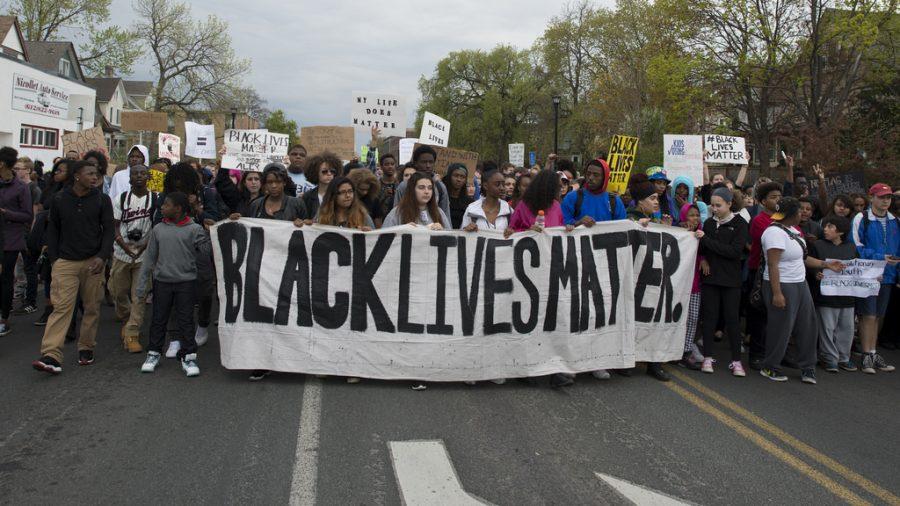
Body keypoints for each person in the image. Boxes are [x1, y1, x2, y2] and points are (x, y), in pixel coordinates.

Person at [32, 161, 113, 375]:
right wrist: (55, 260)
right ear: (77, 176)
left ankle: (86, 348)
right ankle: (51, 354)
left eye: (96, 174)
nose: (95, 177)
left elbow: (108, 231)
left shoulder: (102, 200)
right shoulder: (60, 199)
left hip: (93, 262)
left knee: (92, 307)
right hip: (65, 263)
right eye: (90, 173)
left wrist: (102, 256)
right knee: (61, 308)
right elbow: (53, 230)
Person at [760, 197, 844, 383]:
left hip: (800, 283)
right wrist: (777, 293)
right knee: (781, 327)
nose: (802, 214)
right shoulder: (773, 232)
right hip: (781, 284)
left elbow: (803, 258)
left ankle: (808, 367)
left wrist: (827, 265)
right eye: (799, 211)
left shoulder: (795, 231)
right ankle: (770, 366)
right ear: (791, 214)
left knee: (807, 326)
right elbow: (773, 264)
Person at [136, 192, 210, 377]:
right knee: (158, 319)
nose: (162, 207)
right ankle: (153, 353)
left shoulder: (194, 229)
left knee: (185, 320)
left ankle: (189, 355)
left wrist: (207, 234)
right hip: (162, 282)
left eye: (166, 205)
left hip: (186, 282)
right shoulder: (158, 229)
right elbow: (149, 259)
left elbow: (206, 251)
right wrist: (142, 284)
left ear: (178, 209)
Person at [624, 173, 684, 382]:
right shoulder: (628, 218)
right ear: (640, 202)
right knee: (632, 318)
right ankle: (627, 359)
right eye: (652, 198)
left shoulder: (657, 220)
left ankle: (654, 363)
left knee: (654, 320)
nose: (656, 201)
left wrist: (667, 230)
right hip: (635, 279)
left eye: (657, 198)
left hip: (655, 279)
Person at [698, 188, 749, 376]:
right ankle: (707, 357)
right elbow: (702, 247)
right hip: (711, 278)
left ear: (729, 204)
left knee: (732, 319)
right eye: (712, 205)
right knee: (709, 318)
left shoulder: (740, 224)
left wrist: (707, 241)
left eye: (718, 205)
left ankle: (736, 361)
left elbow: (734, 252)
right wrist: (703, 258)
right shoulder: (709, 223)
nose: (715, 209)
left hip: (731, 280)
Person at [850, 183, 899, 374]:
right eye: (881, 197)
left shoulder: (896, 221)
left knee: (879, 315)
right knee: (867, 315)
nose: (886, 201)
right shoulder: (862, 218)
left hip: (888, 275)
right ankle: (866, 355)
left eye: (888, 197)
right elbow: (855, 245)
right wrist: (879, 258)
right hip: (868, 273)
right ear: (872, 198)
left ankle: (873, 351)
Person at [109, 164, 157, 353]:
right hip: (121, 253)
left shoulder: (155, 199)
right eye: (135, 173)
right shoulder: (120, 199)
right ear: (129, 178)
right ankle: (127, 317)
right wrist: (123, 245)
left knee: (139, 295)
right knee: (117, 291)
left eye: (143, 173)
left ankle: (132, 333)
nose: (139, 176)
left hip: (144, 255)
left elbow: (157, 225)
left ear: (148, 177)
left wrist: (145, 246)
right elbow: (113, 225)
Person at [808, 215, 858, 372]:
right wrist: (817, 273)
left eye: (830, 227)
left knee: (847, 328)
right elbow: (810, 264)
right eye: (825, 226)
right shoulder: (818, 245)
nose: (825, 229)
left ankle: (844, 357)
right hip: (826, 296)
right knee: (827, 328)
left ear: (841, 232)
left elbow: (858, 268)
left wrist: (872, 276)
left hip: (847, 296)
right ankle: (829, 358)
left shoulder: (851, 247)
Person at [746, 182, 783, 369]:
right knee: (759, 315)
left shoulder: (782, 217)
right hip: (760, 272)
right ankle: (756, 353)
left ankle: (776, 351)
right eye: (773, 197)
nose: (778, 200)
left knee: (777, 316)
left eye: (779, 196)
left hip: (781, 272)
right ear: (762, 201)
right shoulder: (760, 221)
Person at [0, 150, 34, 335]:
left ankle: (4, 318)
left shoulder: (21, 187)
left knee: (5, 278)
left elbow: (27, 215)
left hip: (10, 240)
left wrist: (6, 213)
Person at [12, 157, 40, 315]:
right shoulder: (14, 187)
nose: (15, 171)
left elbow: (36, 215)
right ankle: (15, 299)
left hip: (27, 235)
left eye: (18, 168)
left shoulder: (33, 189)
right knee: (16, 269)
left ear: (28, 170)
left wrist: (31, 237)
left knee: (29, 268)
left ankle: (31, 301)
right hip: (14, 234)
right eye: (14, 168)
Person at [561, 158, 627, 226]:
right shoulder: (571, 198)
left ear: (605, 178)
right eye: (588, 174)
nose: (591, 178)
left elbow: (622, 227)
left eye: (596, 175)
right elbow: (561, 224)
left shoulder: (615, 201)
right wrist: (578, 223)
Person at [392, 145, 452, 218]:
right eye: (424, 162)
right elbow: (396, 213)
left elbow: (445, 215)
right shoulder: (404, 186)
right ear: (415, 163)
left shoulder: (440, 187)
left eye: (431, 162)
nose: (428, 165)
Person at [236, 165, 308, 222]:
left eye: (278, 182)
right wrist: (235, 220)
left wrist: (303, 223)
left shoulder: (297, 204)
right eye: (270, 182)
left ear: (284, 182)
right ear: (265, 184)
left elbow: (307, 230)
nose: (274, 186)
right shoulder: (255, 205)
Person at [383, 172, 452, 229]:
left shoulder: (439, 212)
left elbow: (451, 239)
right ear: (412, 190)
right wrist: (401, 231)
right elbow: (383, 239)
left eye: (430, 188)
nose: (426, 191)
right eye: (421, 188)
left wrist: (442, 232)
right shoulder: (397, 213)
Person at [301, 153, 341, 218]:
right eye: (324, 171)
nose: (329, 174)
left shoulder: (340, 194)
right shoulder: (307, 196)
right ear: (315, 172)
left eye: (332, 171)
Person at [442, 163, 473, 229]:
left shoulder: (470, 203)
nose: (459, 179)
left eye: (462, 177)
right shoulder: (440, 199)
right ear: (449, 176)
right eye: (456, 175)